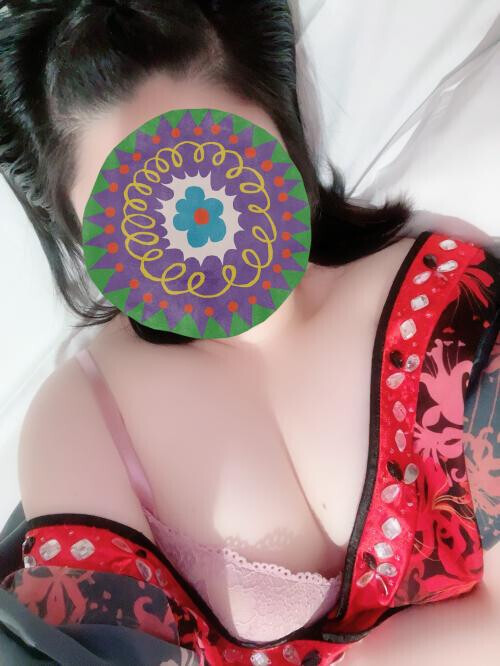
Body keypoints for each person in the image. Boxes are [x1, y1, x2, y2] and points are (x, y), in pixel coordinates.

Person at [0, 1, 498, 664]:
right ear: (79, 233)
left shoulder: (456, 300)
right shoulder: (82, 420)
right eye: (135, 212)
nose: (193, 223)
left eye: (215, 164)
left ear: (280, 128)